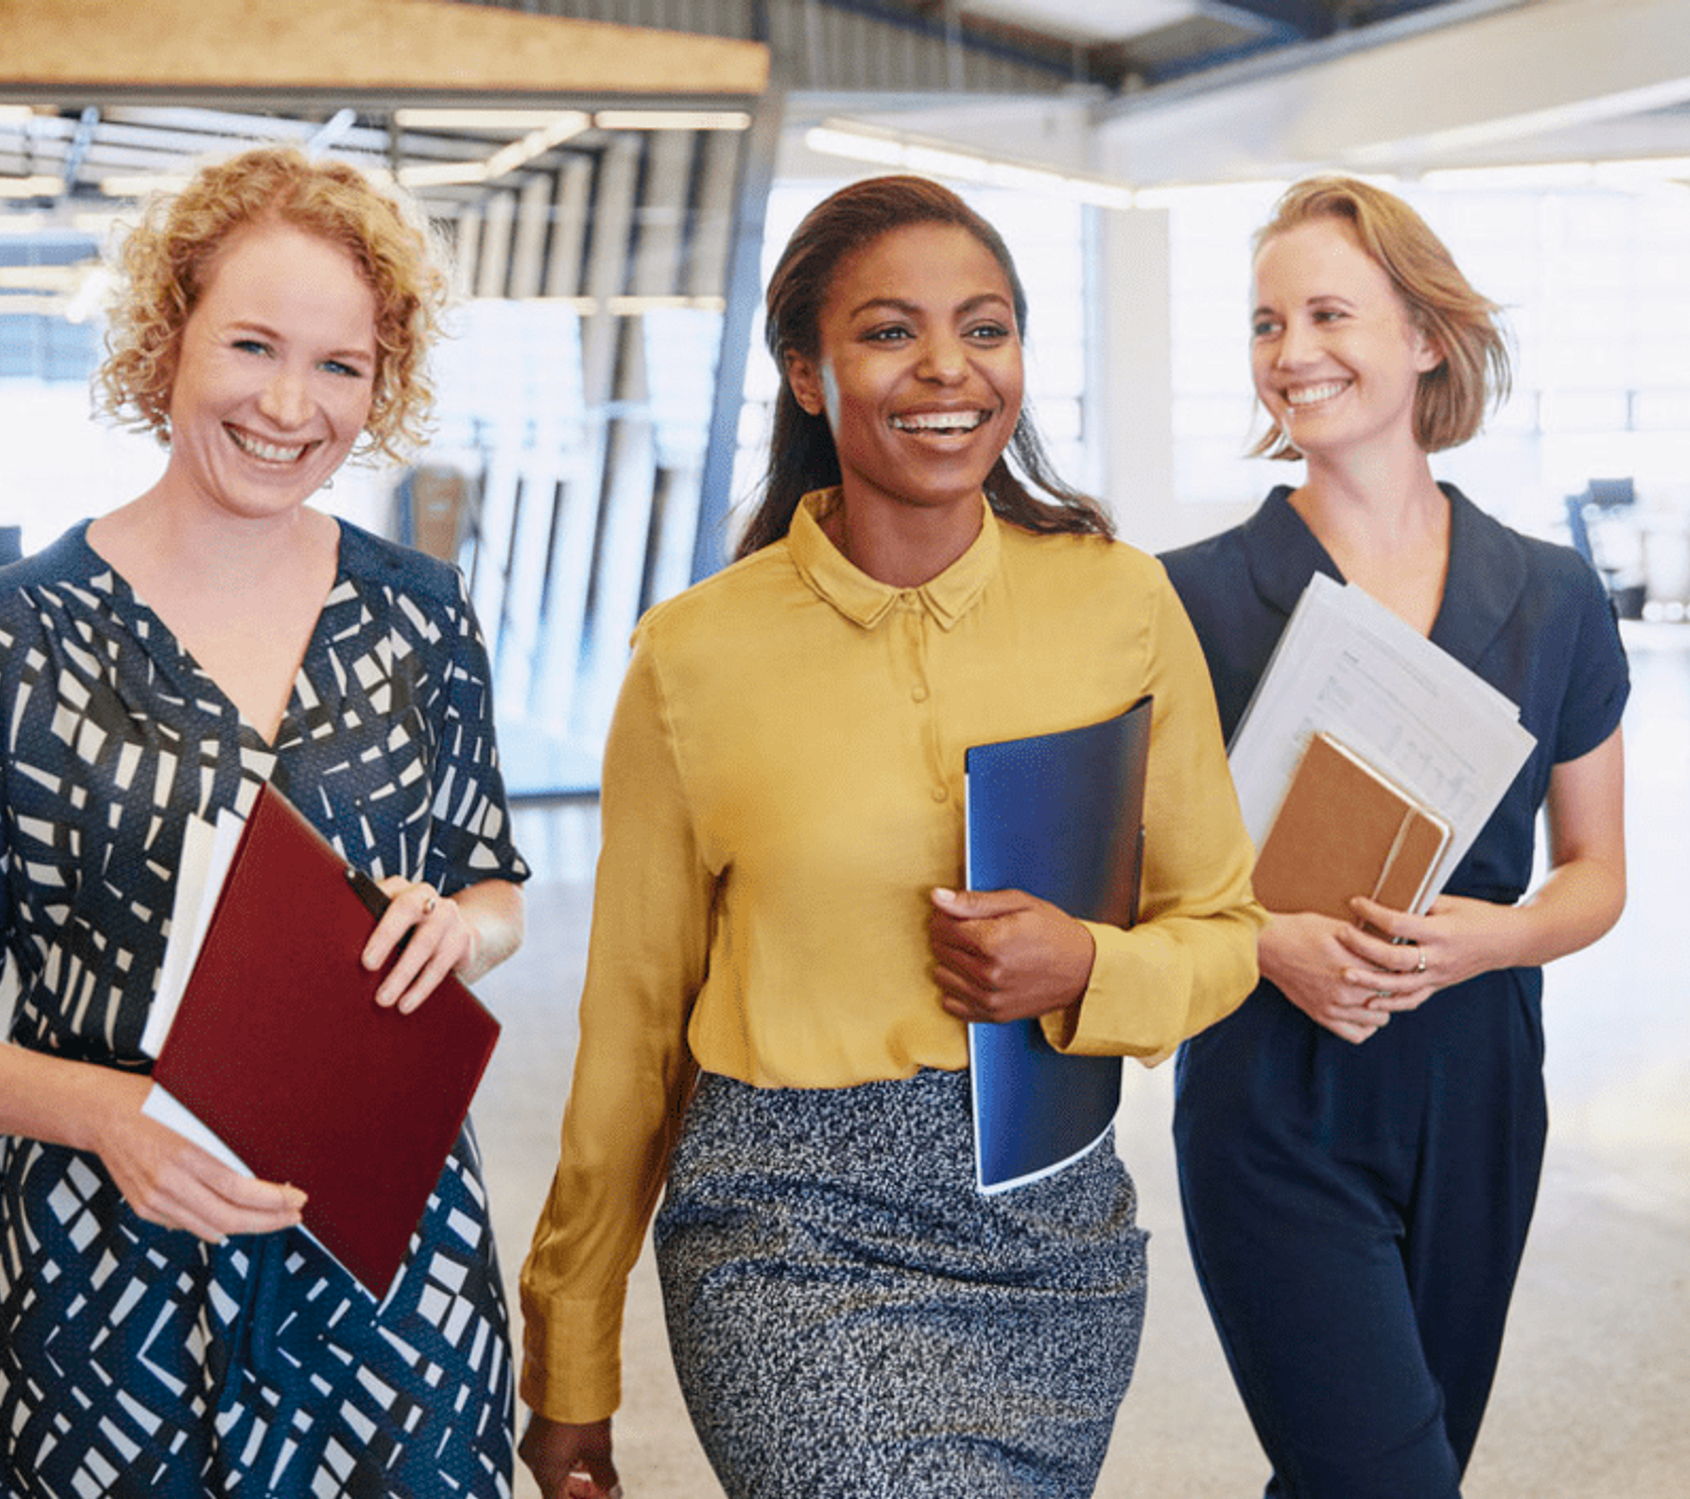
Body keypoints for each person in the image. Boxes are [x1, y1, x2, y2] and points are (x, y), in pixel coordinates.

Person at [515, 174, 1264, 1499]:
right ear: (806, 373)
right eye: (888, 331)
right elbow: (632, 1025)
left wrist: (1089, 969)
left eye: (985, 328)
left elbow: (1224, 932)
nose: (946, 369)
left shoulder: (1119, 604)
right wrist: (570, 1357)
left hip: (1053, 1233)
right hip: (788, 1227)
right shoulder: (693, 655)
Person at [0, 144, 530, 1496]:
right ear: (167, 336)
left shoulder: (422, 617)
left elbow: (490, 881)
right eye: (252, 344)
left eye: (341, 366)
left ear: (382, 380)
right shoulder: (15, 635)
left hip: (389, 1287)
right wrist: (109, 1112)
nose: (291, 405)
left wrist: (460, 931)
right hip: (101, 1298)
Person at [1163, 176, 1630, 1497]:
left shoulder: (1551, 598)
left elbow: (1597, 873)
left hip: (1477, 1089)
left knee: (1375, 1468)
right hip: (1271, 1092)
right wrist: (1265, 942)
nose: (1291, 353)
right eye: (1265, 323)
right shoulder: (1191, 600)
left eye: (1326, 313)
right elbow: (1132, 879)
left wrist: (1505, 935)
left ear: (1426, 336)